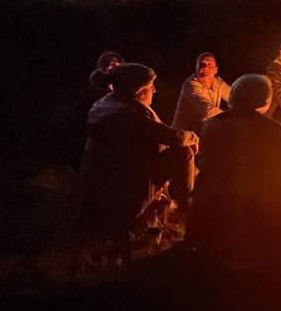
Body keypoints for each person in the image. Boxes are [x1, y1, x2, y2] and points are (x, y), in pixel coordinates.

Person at [186, 74, 281, 270]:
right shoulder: (271, 129)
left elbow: (206, 170)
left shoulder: (212, 125)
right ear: (264, 99)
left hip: (215, 216)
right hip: (258, 217)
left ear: (234, 95)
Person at [79, 63, 198, 238]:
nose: (155, 91)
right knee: (183, 152)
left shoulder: (106, 107)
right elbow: (174, 137)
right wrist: (194, 137)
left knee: (177, 149)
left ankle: (175, 201)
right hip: (123, 199)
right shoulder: (129, 117)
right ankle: (189, 207)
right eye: (151, 87)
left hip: (100, 194)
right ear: (138, 91)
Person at [171, 52, 232, 134]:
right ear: (196, 68)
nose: (205, 67)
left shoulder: (218, 82)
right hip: (184, 138)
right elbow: (208, 110)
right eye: (201, 64)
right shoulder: (190, 85)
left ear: (216, 69)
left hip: (202, 133)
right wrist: (232, 120)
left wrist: (252, 106)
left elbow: (234, 96)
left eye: (210, 64)